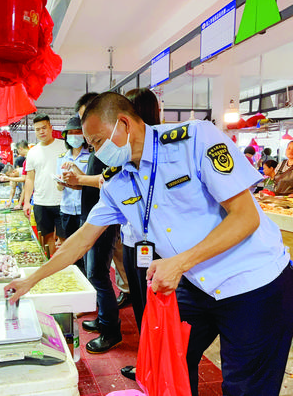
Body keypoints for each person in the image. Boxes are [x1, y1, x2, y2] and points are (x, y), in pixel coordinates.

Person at [7, 92, 293, 396]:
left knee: (245, 387)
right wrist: (31, 280)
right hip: (197, 284)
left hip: (255, 284)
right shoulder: (118, 180)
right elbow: (81, 240)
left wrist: (180, 262)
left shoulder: (194, 140)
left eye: (96, 142)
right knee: (167, 367)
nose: (96, 151)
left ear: (123, 124)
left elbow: (245, 218)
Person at [62, 92, 124, 354]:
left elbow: (107, 180)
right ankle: (103, 319)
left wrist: (79, 180)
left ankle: (111, 330)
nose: (86, 128)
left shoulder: (112, 147)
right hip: (93, 215)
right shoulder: (97, 146)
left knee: (98, 274)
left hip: (104, 220)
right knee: (93, 273)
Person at [117, 87, 162, 381]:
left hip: (159, 248)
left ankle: (155, 364)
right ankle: (147, 362)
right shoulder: (125, 156)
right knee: (141, 305)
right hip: (134, 242)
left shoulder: (162, 152)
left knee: (154, 308)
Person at [22, 114, 66, 257]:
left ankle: (66, 270)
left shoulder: (64, 146)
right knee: (46, 241)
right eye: (37, 129)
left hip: (63, 201)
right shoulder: (32, 152)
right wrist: (27, 202)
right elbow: (30, 179)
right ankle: (51, 272)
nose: (41, 131)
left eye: (44, 128)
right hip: (41, 201)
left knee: (65, 241)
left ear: (50, 128)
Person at [56, 115, 90, 274]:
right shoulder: (61, 158)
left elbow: (90, 182)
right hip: (67, 208)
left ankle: (86, 276)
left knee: (85, 246)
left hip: (85, 209)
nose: (74, 136)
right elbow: (59, 187)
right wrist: (60, 183)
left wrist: (76, 170)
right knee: (69, 245)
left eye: (78, 132)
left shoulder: (91, 156)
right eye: (71, 133)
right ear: (66, 137)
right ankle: (74, 274)